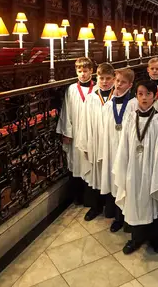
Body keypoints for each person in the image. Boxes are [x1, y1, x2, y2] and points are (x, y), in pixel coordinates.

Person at [113, 80, 158, 254]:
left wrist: (157, 171)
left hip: (152, 169)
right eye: (140, 94)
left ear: (154, 96)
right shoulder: (130, 117)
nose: (144, 97)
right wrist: (124, 167)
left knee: (152, 201)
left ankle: (155, 239)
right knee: (134, 201)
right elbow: (123, 145)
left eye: (148, 94)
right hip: (133, 169)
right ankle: (135, 239)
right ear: (136, 96)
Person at [81, 68, 137, 227]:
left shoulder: (132, 104)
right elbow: (98, 129)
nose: (118, 84)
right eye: (117, 81)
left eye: (121, 82)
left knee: (121, 182)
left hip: (124, 150)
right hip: (107, 148)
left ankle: (121, 217)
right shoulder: (105, 104)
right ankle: (104, 210)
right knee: (106, 179)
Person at [75, 63, 117, 221]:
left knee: (111, 175)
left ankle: (112, 209)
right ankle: (95, 206)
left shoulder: (117, 98)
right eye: (101, 78)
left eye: (108, 79)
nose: (105, 82)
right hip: (95, 143)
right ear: (96, 78)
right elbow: (84, 122)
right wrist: (85, 144)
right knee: (95, 175)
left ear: (114, 79)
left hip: (112, 145)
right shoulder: (92, 98)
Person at [57, 57, 96, 205]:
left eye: (85, 71)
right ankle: (78, 197)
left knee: (91, 165)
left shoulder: (97, 89)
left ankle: (90, 198)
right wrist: (67, 132)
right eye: (79, 71)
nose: (83, 74)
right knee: (76, 164)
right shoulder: (72, 90)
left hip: (92, 134)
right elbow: (66, 112)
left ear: (91, 71)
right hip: (77, 133)